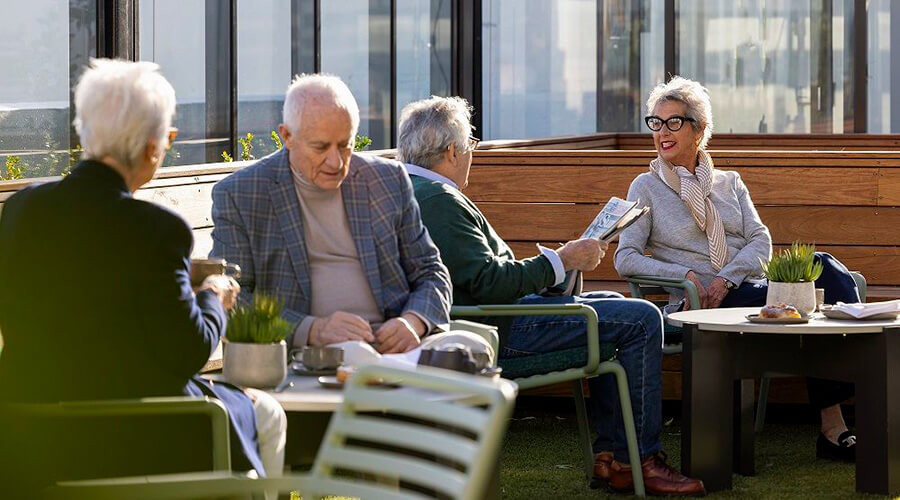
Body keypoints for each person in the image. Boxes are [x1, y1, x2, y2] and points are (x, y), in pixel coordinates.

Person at [0, 59, 286, 494]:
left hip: (30, 437)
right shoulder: (156, 230)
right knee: (266, 412)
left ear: (85, 131)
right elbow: (188, 349)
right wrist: (212, 294)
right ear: (155, 145)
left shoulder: (21, 211)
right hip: (135, 437)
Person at [398, 96, 706, 496]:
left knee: (614, 308)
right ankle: (639, 460)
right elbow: (489, 280)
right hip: (497, 330)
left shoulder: (415, 191)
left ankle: (612, 457)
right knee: (642, 318)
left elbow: (477, 275)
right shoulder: (439, 200)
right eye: (471, 146)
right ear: (452, 151)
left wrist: (559, 269)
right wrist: (561, 260)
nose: (472, 155)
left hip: (492, 315)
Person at [615, 76, 860, 462]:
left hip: (746, 287)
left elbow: (761, 240)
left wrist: (727, 278)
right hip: (699, 302)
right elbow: (625, 257)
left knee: (824, 269)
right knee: (814, 298)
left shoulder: (729, 183)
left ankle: (836, 422)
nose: (662, 131)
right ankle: (835, 427)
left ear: (700, 130)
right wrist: (684, 275)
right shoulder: (645, 187)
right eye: (656, 122)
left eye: (674, 122)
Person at [211, 74, 452, 354]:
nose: (336, 162)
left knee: (473, 352)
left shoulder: (387, 179)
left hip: (399, 348)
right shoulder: (242, 194)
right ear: (286, 136)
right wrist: (312, 329)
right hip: (305, 356)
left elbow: (431, 271)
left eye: (345, 144)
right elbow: (231, 299)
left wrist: (413, 322)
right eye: (321, 147)